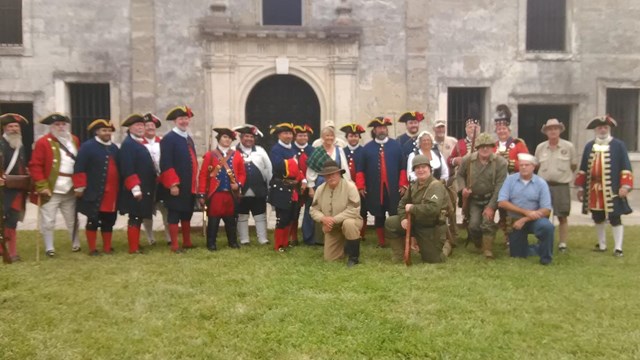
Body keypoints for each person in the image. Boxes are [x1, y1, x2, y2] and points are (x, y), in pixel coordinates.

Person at [575, 115, 633, 257]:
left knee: (615, 217)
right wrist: (581, 188)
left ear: (609, 129)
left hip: (613, 188)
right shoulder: (589, 145)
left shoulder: (618, 145)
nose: (602, 129)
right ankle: (602, 244)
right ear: (596, 129)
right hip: (594, 189)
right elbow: (583, 168)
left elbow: (626, 166)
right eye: (600, 127)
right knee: (598, 216)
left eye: (605, 127)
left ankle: (618, 248)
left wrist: (625, 186)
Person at [29, 113, 81, 257]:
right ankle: (49, 247)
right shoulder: (43, 142)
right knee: (48, 219)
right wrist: (42, 186)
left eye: (63, 124)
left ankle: (75, 243)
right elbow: (35, 166)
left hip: (70, 186)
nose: (61, 127)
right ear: (51, 127)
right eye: (57, 125)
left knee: (72, 218)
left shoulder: (74, 140)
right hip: (51, 187)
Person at [385, 155, 450, 263]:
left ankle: (446, 246)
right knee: (390, 223)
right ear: (414, 171)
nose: (420, 170)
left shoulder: (436, 186)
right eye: (417, 168)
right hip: (415, 222)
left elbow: (433, 209)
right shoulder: (413, 186)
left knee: (434, 259)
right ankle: (399, 255)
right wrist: (403, 219)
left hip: (431, 227)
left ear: (429, 168)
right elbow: (402, 204)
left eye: (423, 167)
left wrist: (413, 208)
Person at [356, 116, 409, 247]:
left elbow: (403, 166)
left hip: (393, 187)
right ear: (374, 130)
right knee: (379, 214)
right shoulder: (367, 148)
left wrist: (403, 184)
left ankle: (395, 238)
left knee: (394, 212)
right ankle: (381, 241)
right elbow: (360, 169)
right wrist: (361, 186)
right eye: (379, 128)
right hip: (374, 187)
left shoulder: (396, 146)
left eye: (384, 127)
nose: (382, 130)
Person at [456, 133, 508, 259]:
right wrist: (463, 189)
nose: (485, 149)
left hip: (491, 197)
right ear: (477, 148)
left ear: (493, 147)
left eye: (488, 146)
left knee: (487, 222)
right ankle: (478, 243)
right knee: (473, 225)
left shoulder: (500, 163)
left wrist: (491, 206)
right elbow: (460, 175)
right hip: (474, 199)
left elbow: (500, 186)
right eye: (482, 146)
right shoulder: (467, 160)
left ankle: (488, 249)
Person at [73, 119, 119, 256]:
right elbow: (79, 167)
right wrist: (79, 187)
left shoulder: (114, 148)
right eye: (104, 130)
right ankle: (92, 249)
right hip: (94, 190)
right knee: (93, 219)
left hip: (111, 193)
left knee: (109, 220)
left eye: (109, 131)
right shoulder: (87, 147)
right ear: (97, 132)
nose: (107, 133)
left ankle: (107, 247)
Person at [498, 153, 554, 265]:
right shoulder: (510, 180)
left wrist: (525, 218)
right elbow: (502, 202)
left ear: (533, 167)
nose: (523, 167)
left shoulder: (541, 183)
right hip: (515, 220)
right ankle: (536, 248)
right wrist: (525, 212)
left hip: (535, 219)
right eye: (521, 165)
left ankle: (546, 259)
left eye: (527, 165)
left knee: (547, 227)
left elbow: (546, 209)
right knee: (517, 255)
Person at [198, 127, 246, 251]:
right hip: (216, 193)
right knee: (214, 219)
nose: (227, 140)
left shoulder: (237, 155)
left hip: (231, 193)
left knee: (230, 219)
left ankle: (232, 242)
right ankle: (211, 244)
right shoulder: (210, 155)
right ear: (219, 139)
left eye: (230, 138)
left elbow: (242, 173)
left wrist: (238, 184)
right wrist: (202, 193)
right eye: (225, 137)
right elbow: (203, 175)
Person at [534, 118, 578, 253]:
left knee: (562, 215)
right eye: (550, 129)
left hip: (561, 185)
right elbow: (536, 166)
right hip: (544, 186)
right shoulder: (540, 147)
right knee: (542, 215)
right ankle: (543, 240)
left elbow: (573, 165)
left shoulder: (568, 147)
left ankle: (562, 243)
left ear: (560, 130)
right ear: (546, 132)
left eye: (555, 128)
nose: (553, 131)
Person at [159, 105, 198, 253]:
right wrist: (172, 184)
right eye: (181, 119)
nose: (184, 121)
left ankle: (187, 242)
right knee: (174, 214)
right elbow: (166, 163)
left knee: (187, 212)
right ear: (175, 121)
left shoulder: (188, 138)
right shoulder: (169, 139)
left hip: (189, 184)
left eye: (186, 118)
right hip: (176, 185)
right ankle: (175, 245)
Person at [309, 160, 363, 266]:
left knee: (349, 224)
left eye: (333, 174)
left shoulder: (350, 187)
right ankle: (344, 246)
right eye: (327, 175)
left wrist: (333, 220)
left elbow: (354, 209)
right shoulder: (320, 189)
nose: (330, 177)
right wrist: (323, 219)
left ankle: (354, 257)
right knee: (330, 258)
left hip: (352, 221)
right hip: (332, 226)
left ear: (339, 174)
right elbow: (313, 209)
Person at [118, 114, 157, 254]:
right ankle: (133, 248)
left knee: (139, 215)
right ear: (130, 128)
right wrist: (135, 189)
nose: (140, 128)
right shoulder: (128, 144)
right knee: (134, 216)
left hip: (144, 186)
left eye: (142, 125)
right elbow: (127, 169)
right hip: (136, 188)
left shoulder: (137, 142)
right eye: (137, 126)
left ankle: (136, 244)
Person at [306, 126, 351, 245]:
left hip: (338, 183)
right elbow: (311, 171)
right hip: (321, 183)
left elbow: (344, 167)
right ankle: (320, 239)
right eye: (327, 135)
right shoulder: (317, 151)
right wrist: (311, 187)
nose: (329, 138)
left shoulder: (339, 151)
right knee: (322, 209)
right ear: (322, 137)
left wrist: (348, 183)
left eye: (331, 135)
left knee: (337, 208)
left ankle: (338, 237)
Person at [493, 104, 529, 244]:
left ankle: (517, 236)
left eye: (504, 129)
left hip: (515, 182)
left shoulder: (518, 144)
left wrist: (510, 163)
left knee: (514, 210)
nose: (502, 131)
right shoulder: (493, 145)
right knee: (502, 211)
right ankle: (507, 237)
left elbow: (526, 162)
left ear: (509, 130)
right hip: (499, 183)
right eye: (499, 129)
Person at [268, 122, 305, 252]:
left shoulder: (292, 149)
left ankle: (286, 241)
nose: (288, 136)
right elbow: (278, 166)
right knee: (282, 217)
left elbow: (298, 167)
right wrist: (293, 163)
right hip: (281, 187)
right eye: (286, 133)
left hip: (293, 187)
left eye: (290, 133)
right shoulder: (276, 149)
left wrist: (302, 179)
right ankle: (279, 245)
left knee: (291, 216)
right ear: (279, 135)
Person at [234, 124, 272, 246]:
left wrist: (269, 186)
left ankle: (263, 239)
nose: (249, 139)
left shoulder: (260, 151)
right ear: (241, 137)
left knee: (260, 214)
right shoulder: (233, 151)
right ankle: (244, 239)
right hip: (241, 189)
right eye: (246, 136)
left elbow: (268, 168)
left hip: (258, 188)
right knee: (242, 215)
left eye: (251, 136)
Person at [0, 113, 30, 262]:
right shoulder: (1, 144)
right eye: (10, 126)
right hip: (3, 190)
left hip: (17, 189)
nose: (14, 129)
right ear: (4, 128)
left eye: (16, 126)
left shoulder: (19, 145)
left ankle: (11, 252)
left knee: (12, 221)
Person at [141, 113, 170, 246]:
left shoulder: (163, 142)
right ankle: (150, 238)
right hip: (147, 183)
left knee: (166, 210)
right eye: (147, 125)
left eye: (152, 125)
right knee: (147, 211)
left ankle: (169, 237)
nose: (150, 128)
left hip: (162, 182)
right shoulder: (139, 143)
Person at [433, 119, 460, 245]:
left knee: (452, 206)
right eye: (438, 128)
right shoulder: (431, 142)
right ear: (434, 129)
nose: (440, 130)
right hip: (436, 180)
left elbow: (457, 158)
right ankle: (441, 233)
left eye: (442, 128)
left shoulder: (453, 142)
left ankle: (454, 233)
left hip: (451, 178)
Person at [340, 123, 368, 239]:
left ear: (359, 138)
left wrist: (363, 185)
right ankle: (346, 230)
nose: (353, 138)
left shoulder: (364, 151)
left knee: (362, 209)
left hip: (361, 186)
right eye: (351, 136)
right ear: (347, 137)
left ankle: (361, 233)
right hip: (346, 185)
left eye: (356, 136)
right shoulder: (342, 151)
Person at [291, 124, 315, 246]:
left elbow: (315, 168)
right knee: (294, 211)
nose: (303, 137)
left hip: (310, 185)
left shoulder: (312, 150)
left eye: (305, 135)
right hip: (295, 186)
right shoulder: (290, 149)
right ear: (295, 136)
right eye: (300, 135)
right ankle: (293, 237)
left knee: (310, 211)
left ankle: (309, 236)